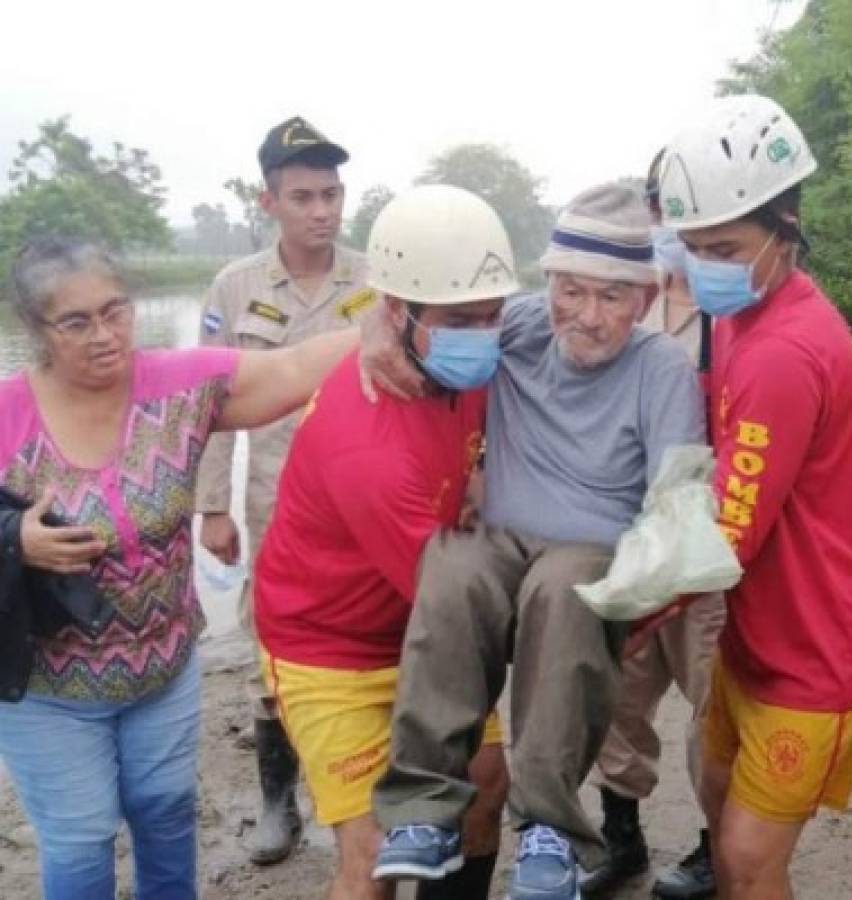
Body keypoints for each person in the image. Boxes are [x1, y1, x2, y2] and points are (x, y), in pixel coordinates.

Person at [365, 183, 707, 900]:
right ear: (545, 284)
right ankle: (424, 805)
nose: (586, 316)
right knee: (452, 562)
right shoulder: (518, 325)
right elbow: (421, 324)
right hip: (502, 539)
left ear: (643, 301)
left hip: (590, 545)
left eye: (612, 297)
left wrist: (638, 597)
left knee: (566, 586)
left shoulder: (660, 367)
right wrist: (373, 325)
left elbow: (675, 500)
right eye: (571, 291)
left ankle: (549, 823)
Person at [0, 235, 361, 900]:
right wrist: (14, 541)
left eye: (116, 311)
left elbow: (291, 370)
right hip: (51, 687)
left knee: (167, 819)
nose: (104, 335)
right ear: (36, 327)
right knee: (79, 844)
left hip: (162, 671)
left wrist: (408, 310)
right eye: (76, 322)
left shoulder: (178, 388)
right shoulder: (6, 414)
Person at [655, 94, 852, 899]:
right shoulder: (745, 317)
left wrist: (616, 615)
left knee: (747, 859)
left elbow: (725, 535)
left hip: (821, 645)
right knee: (718, 799)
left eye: (723, 246)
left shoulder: (785, 350)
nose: (706, 267)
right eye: (692, 248)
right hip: (765, 633)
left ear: (786, 224)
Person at [252, 184, 518, 900]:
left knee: (485, 782)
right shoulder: (366, 445)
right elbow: (467, 618)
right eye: (463, 320)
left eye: (494, 315)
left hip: (413, 617)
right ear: (395, 312)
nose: (486, 334)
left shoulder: (459, 358)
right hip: (327, 643)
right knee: (374, 851)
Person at [194, 114, 371, 864]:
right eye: (303, 196)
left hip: (366, 504)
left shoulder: (374, 279)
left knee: (373, 639)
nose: (322, 210)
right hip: (272, 506)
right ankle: (278, 803)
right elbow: (202, 406)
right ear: (269, 203)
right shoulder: (234, 288)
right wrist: (210, 509)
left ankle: (365, 795)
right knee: (271, 643)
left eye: (331, 194)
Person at [583, 150, 725, 899]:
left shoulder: (730, 311)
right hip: (625, 542)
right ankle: (622, 839)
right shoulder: (626, 303)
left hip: (702, 551)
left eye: (681, 209)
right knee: (618, 699)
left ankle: (716, 850)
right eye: (658, 208)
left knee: (713, 704)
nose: (668, 225)